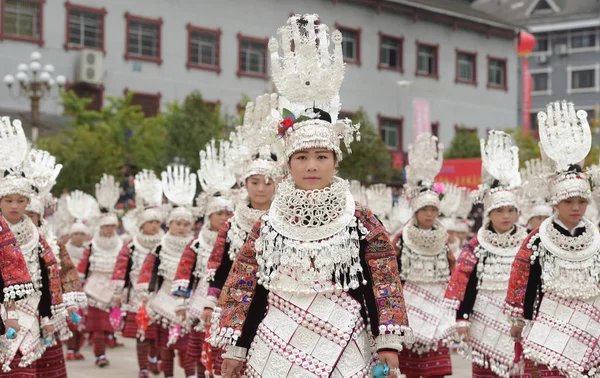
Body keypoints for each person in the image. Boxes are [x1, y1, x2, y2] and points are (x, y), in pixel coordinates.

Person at [212, 14, 411, 378]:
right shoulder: (267, 224)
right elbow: (246, 286)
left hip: (345, 338)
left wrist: (387, 342)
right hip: (276, 339)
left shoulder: (361, 220)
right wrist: (237, 347)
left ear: (335, 160)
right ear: (289, 164)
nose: (312, 166)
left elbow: (383, 280)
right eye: (302, 157)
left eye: (322, 156)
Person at [505, 101, 600, 377]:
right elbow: (524, 278)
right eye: (569, 201)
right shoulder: (538, 239)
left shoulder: (595, 238)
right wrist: (519, 319)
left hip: (588, 323)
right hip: (549, 321)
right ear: (556, 203)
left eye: (581, 201)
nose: (575, 208)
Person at [445, 131, 529, 377]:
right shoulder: (476, 245)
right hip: (483, 316)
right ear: (489, 213)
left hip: (517, 319)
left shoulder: (528, 243)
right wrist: (462, 318)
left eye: (510, 210)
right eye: (500, 210)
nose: (506, 216)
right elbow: (466, 285)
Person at [0, 126, 65, 376]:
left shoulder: (37, 237)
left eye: (21, 201)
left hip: (31, 309)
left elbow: (49, 277)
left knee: (23, 370)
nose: (15, 206)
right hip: (2, 309)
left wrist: (47, 316)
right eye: (8, 200)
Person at [392, 133, 455, 378]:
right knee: (408, 369)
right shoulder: (401, 239)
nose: (429, 214)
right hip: (409, 306)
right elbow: (391, 275)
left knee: (436, 371)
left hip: (437, 304)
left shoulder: (444, 240)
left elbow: (452, 272)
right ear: (416, 211)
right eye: (424, 209)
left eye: (432, 209)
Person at [172, 139, 236, 377]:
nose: (223, 217)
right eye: (219, 213)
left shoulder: (237, 236)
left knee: (221, 350)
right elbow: (183, 272)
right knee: (200, 349)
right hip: (201, 299)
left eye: (227, 213)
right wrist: (180, 302)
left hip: (228, 298)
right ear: (209, 216)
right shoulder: (197, 243)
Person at [23, 150, 84, 378]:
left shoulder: (52, 242)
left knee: (48, 365)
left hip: (47, 310)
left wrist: (68, 300)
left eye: (32, 214)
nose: (27, 218)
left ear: (40, 216)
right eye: (23, 213)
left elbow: (66, 272)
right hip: (15, 312)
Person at [136, 165, 197, 378]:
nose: (181, 227)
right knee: (166, 346)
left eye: (185, 224)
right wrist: (145, 293)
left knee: (185, 344)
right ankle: (168, 374)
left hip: (186, 301)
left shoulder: (194, 245)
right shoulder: (161, 245)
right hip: (163, 298)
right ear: (170, 224)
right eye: (177, 223)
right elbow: (148, 269)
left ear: (190, 226)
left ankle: (189, 374)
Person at [111, 170, 165, 378]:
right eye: (150, 222)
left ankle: (154, 359)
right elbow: (121, 267)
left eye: (156, 223)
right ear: (142, 224)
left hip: (160, 294)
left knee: (157, 334)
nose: (154, 226)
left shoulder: (165, 243)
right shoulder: (132, 245)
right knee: (142, 334)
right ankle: (143, 366)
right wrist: (117, 293)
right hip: (137, 296)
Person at [77, 174, 123, 368]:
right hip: (94, 287)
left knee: (108, 326)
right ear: (101, 227)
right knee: (98, 326)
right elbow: (82, 267)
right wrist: (78, 287)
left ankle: (104, 348)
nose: (109, 229)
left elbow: (123, 267)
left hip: (113, 288)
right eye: (106, 226)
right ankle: (99, 355)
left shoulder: (121, 245)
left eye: (112, 226)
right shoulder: (91, 245)